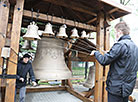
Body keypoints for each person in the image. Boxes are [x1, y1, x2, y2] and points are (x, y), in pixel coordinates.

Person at [91, 22, 138, 102]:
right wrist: (110, 53)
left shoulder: (120, 45)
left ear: (119, 32)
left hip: (116, 88)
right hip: (127, 88)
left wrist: (96, 53)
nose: (115, 34)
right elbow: (124, 60)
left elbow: (104, 61)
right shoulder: (135, 47)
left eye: (115, 32)